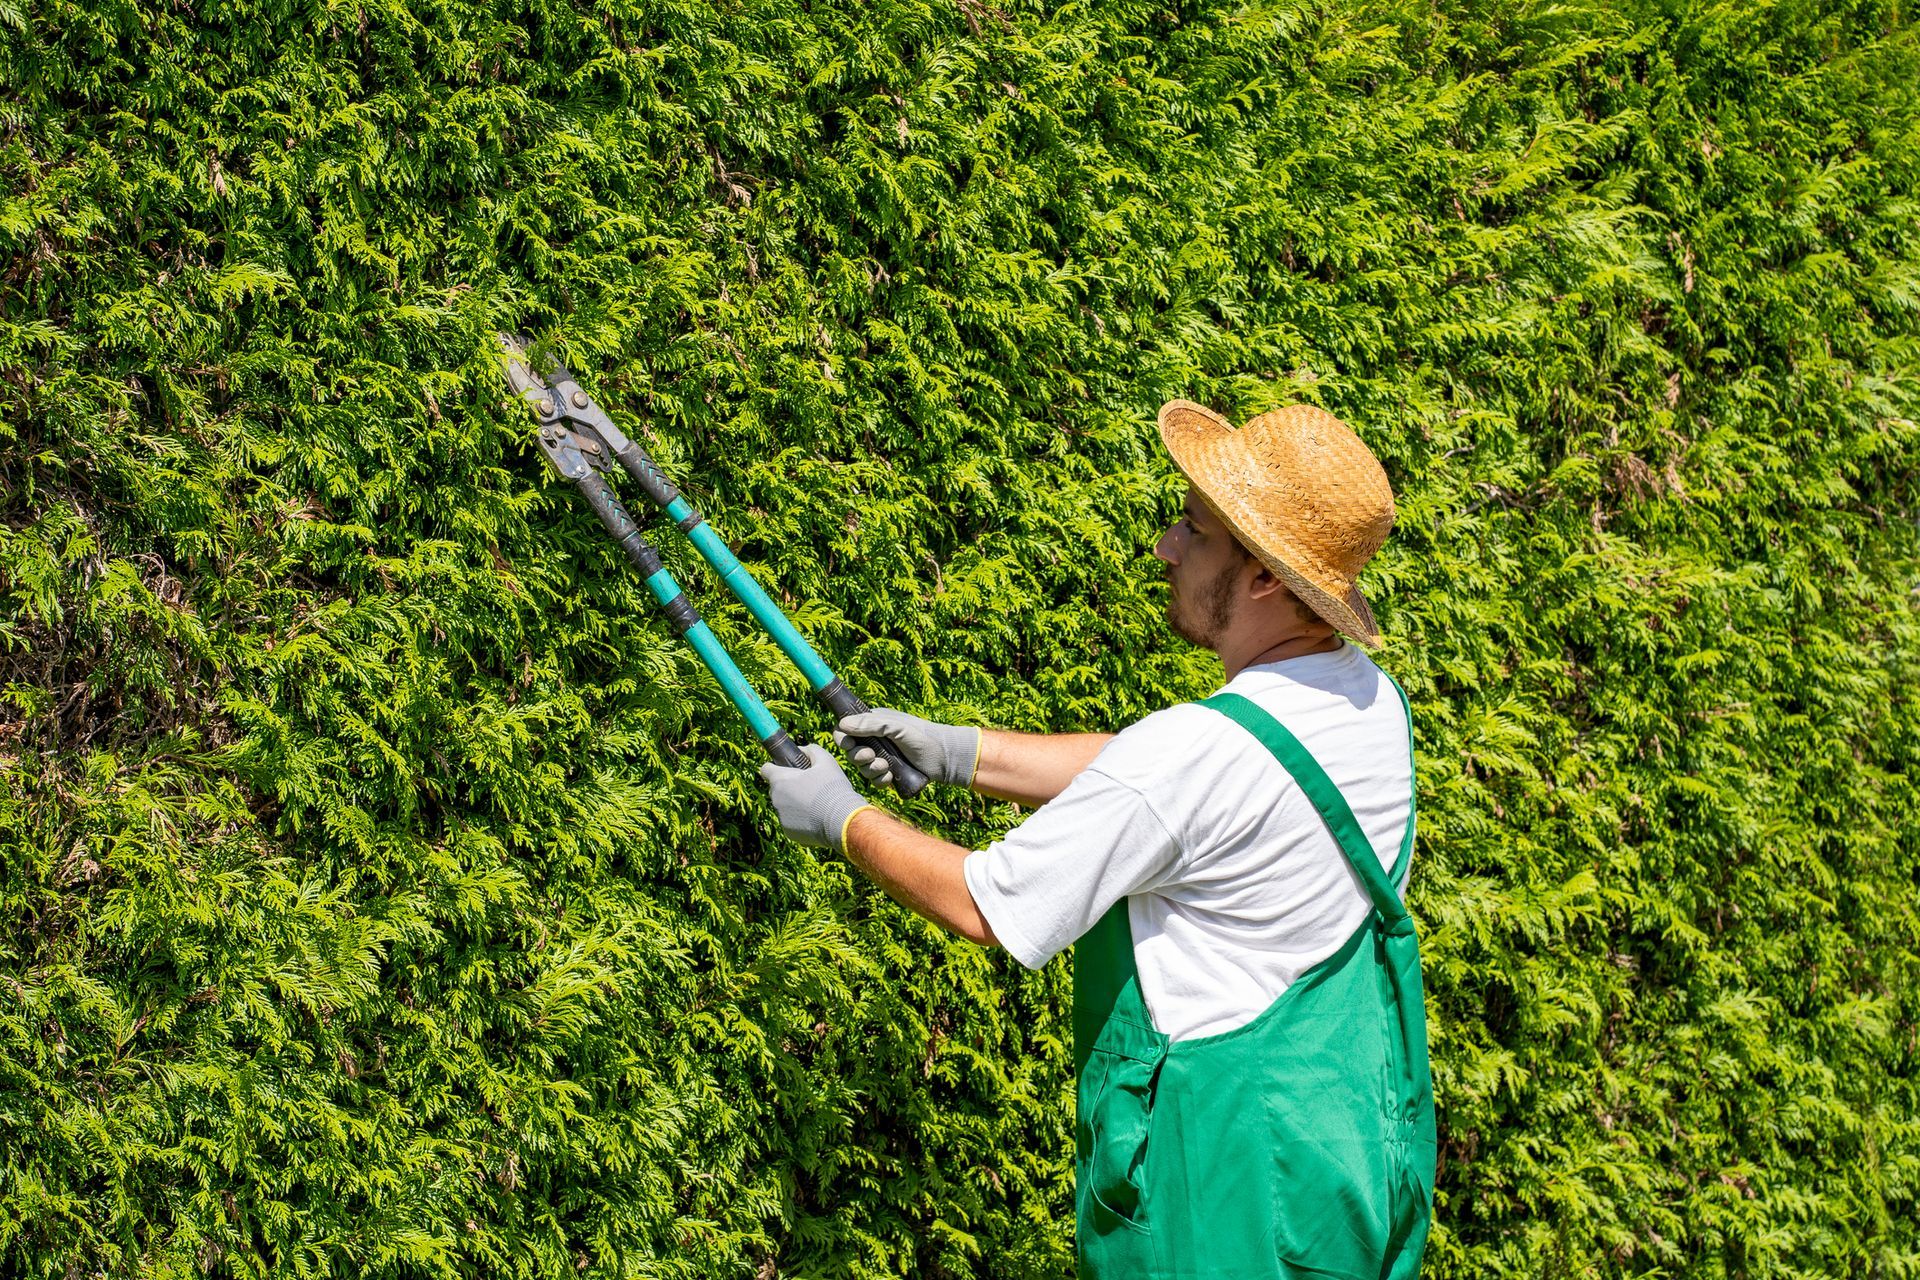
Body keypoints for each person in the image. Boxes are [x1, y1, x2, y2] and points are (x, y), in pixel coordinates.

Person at [759, 399, 1435, 1278]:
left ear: (1266, 578)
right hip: (1337, 1148)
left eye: (1192, 531)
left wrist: (843, 819)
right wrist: (963, 754)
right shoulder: (1367, 701)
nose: (1165, 546)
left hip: (1222, 1179)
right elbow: (1154, 778)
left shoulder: (1197, 756)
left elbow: (984, 902)